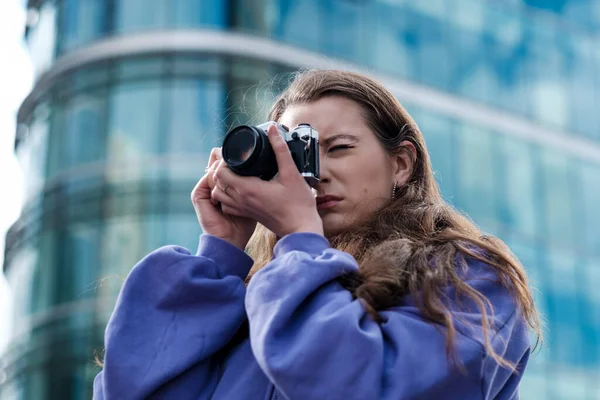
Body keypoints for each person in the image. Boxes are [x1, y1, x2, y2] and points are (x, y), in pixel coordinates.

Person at [93, 70, 541, 400]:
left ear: (401, 163)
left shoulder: (468, 276)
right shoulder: (259, 298)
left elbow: (364, 389)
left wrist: (300, 238)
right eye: (294, 156)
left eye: (339, 148)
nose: (314, 174)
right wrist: (221, 252)